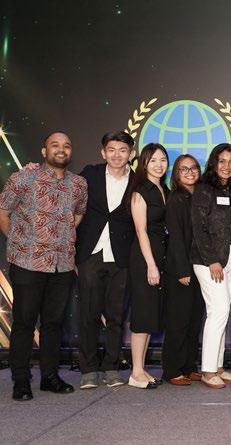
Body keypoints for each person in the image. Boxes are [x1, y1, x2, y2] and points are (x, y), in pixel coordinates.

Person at [0, 131, 87, 401]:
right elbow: (3, 212)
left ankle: (50, 377)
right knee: (24, 323)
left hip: (62, 265)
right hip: (27, 262)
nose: (61, 149)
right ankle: (21, 380)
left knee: (53, 323)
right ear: (43, 150)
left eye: (66, 145)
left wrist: (61, 237)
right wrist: (21, 243)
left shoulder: (79, 184)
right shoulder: (22, 178)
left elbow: (78, 214)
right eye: (55, 145)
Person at [73, 131, 135, 390]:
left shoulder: (138, 180)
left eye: (122, 150)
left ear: (131, 154)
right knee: (88, 313)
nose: (117, 155)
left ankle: (111, 367)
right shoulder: (90, 174)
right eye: (111, 149)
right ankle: (88, 370)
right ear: (103, 152)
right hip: (91, 252)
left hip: (122, 256)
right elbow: (65, 190)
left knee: (116, 315)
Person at [191, 143, 231, 389]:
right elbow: (199, 228)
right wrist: (212, 259)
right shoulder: (204, 189)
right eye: (222, 161)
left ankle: (218, 366)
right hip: (209, 259)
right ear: (214, 163)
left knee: (221, 314)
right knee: (219, 310)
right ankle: (207, 370)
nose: (226, 166)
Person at [127, 143, 169, 389]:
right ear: (144, 163)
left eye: (162, 159)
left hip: (161, 255)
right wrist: (151, 265)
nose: (159, 165)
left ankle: (141, 370)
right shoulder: (140, 191)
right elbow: (141, 231)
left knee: (151, 313)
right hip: (145, 257)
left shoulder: (164, 189)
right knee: (143, 314)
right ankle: (135, 372)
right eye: (153, 160)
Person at [162, 154, 204, 385]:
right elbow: (176, 237)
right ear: (176, 174)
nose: (190, 172)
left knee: (194, 319)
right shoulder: (175, 199)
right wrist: (182, 270)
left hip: (200, 267)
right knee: (178, 321)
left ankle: (189, 367)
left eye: (193, 168)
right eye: (184, 169)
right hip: (182, 269)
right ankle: (172, 370)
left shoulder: (201, 197)